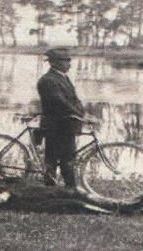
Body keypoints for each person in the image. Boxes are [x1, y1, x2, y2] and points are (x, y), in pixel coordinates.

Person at [0, 141, 143, 214]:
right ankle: (125, 211)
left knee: (76, 190)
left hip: (26, 191)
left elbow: (15, 182)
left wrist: (7, 183)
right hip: (17, 202)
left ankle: (122, 204)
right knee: (73, 204)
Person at [36, 47, 86, 187]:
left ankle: (67, 187)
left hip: (65, 124)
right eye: (65, 60)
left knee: (66, 157)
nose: (69, 64)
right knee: (59, 158)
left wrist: (82, 111)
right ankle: (66, 188)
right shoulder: (48, 80)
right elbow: (60, 101)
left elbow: (73, 99)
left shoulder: (63, 78)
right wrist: (77, 113)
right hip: (55, 125)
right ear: (54, 63)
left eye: (69, 60)